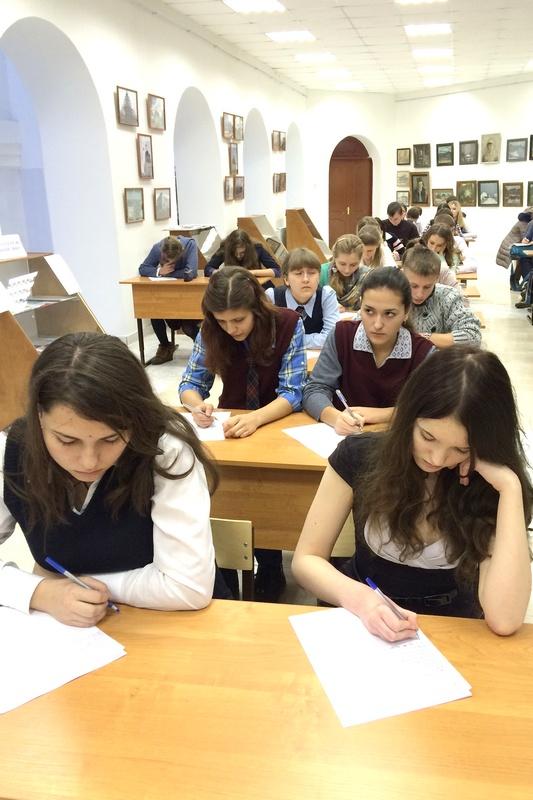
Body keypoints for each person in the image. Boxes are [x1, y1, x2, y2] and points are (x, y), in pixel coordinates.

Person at [293, 346, 533, 641]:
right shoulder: (360, 456)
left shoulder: (487, 485)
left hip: (453, 631)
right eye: (427, 437)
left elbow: (505, 620)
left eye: (461, 449)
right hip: (363, 623)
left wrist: (510, 488)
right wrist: (360, 599)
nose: (437, 458)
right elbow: (306, 560)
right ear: (409, 414)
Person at [0, 333, 221, 627]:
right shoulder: (15, 448)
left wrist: (69, 586)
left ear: (135, 420)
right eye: (67, 440)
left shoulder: (164, 450)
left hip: (176, 624)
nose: (89, 461)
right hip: (65, 631)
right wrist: (39, 592)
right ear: (39, 417)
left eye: (111, 439)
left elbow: (187, 588)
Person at [179, 267, 306, 602]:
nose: (231, 329)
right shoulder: (211, 329)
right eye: (222, 321)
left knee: (269, 495)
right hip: (230, 426)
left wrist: (257, 419)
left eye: (238, 320)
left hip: (275, 421)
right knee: (226, 492)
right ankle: (224, 568)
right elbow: (190, 384)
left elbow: (293, 392)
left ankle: (270, 563)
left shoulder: (287, 323)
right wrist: (196, 405)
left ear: (256, 308)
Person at [303, 267, 433, 434]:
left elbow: (432, 406)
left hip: (396, 441)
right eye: (369, 311)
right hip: (343, 438)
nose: (377, 324)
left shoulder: (424, 353)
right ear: (361, 305)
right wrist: (335, 417)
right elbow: (315, 389)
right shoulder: (342, 335)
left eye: (389, 314)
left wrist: (381, 415)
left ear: (406, 312)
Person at [402, 243, 481, 348]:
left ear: (437, 278)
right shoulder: (392, 297)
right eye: (414, 286)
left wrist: (420, 339)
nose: (419, 294)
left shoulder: (449, 297)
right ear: (403, 275)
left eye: (427, 287)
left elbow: (473, 336)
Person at [139, 236, 200, 364]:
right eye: (166, 260)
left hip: (186, 295)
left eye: (173, 261)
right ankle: (165, 345)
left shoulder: (189, 245)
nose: (170, 263)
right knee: (154, 311)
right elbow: (143, 268)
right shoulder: (158, 247)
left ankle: (204, 348)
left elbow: (191, 272)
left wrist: (166, 273)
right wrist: (159, 271)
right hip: (166, 295)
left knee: (187, 326)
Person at [265, 247, 339, 349]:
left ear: (319, 277)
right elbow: (266, 338)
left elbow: (332, 338)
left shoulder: (326, 295)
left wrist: (287, 340)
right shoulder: (272, 297)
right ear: (286, 279)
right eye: (299, 273)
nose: (306, 279)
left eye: (312, 273)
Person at [204, 229, 280, 279]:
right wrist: (221, 273)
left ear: (248, 248)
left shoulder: (257, 248)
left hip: (256, 285)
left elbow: (277, 270)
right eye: (235, 253)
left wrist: (251, 273)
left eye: (242, 253)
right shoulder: (225, 248)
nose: (238, 256)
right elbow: (208, 269)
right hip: (233, 286)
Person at [319, 234, 368, 310]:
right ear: (334, 257)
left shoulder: (367, 276)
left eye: (353, 265)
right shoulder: (320, 273)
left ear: (360, 260)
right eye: (342, 264)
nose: (347, 270)